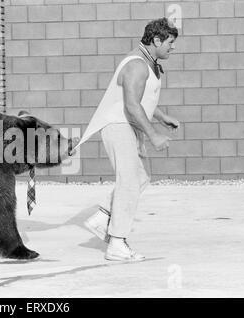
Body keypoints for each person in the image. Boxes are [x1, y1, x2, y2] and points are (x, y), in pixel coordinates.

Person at [74, 18, 180, 261]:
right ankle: (117, 244)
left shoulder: (148, 61)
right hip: (118, 126)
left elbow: (141, 100)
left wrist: (161, 117)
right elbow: (131, 105)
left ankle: (103, 218)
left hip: (127, 126)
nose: (173, 47)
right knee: (130, 181)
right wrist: (153, 135)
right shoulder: (137, 65)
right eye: (170, 43)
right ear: (156, 40)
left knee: (140, 177)